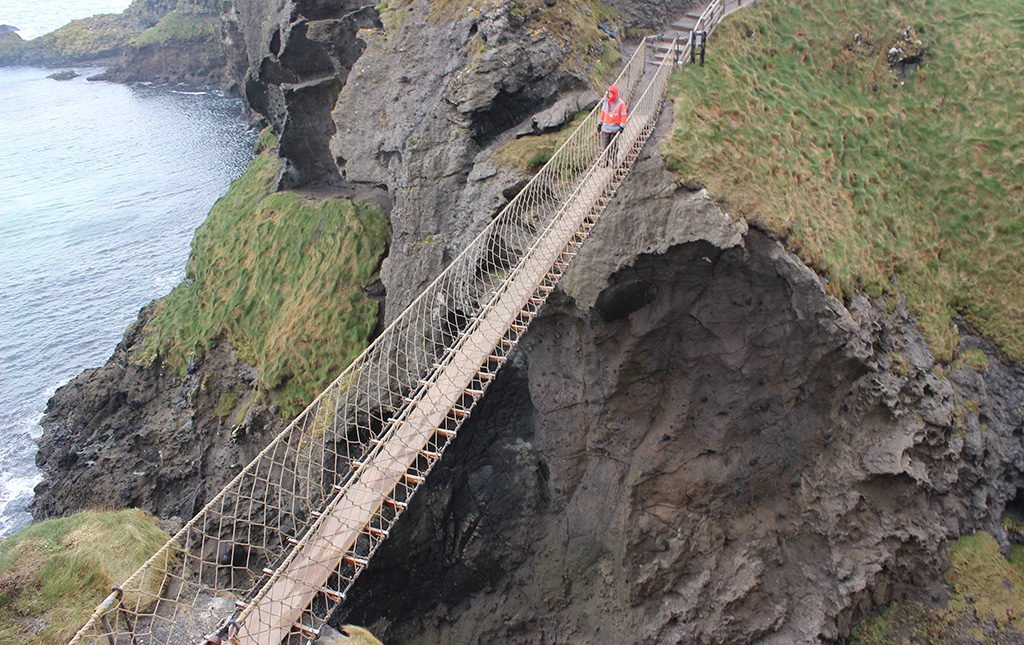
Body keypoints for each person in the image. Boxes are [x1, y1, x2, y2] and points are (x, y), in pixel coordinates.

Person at [597, 84, 628, 165]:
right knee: (605, 146)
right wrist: (599, 124)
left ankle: (614, 161)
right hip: (605, 128)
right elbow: (603, 113)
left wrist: (622, 126)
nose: (609, 95)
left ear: (614, 94)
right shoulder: (606, 102)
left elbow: (623, 116)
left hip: (615, 129)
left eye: (611, 93)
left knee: (613, 146)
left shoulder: (621, 104)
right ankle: (605, 161)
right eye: (609, 93)